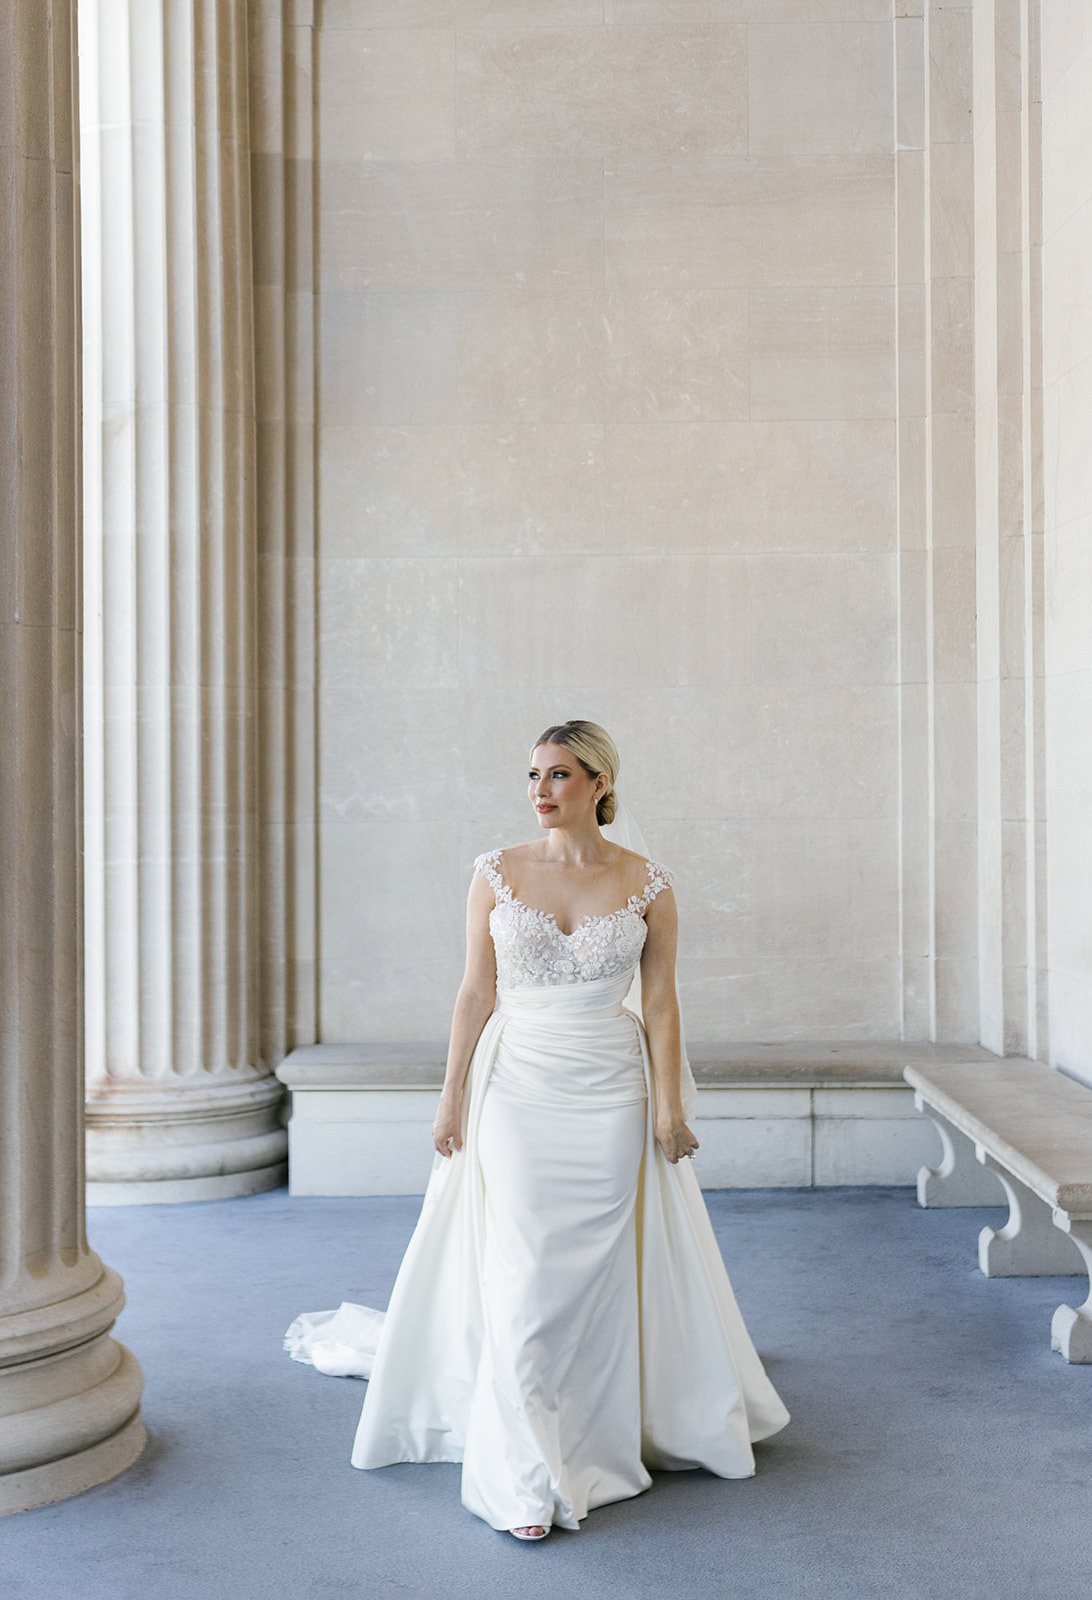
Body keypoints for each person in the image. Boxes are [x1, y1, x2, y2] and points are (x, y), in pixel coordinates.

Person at [285, 720, 789, 1540]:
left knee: (588, 1280)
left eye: (558, 775)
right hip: (517, 1089)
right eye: (531, 776)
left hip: (610, 1091)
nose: (540, 791)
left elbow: (660, 1006)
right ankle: (522, 1475)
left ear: (599, 782)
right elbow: (473, 996)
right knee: (524, 1279)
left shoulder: (649, 884)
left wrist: (670, 1108)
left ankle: (593, 1432)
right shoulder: (495, 872)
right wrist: (450, 1099)